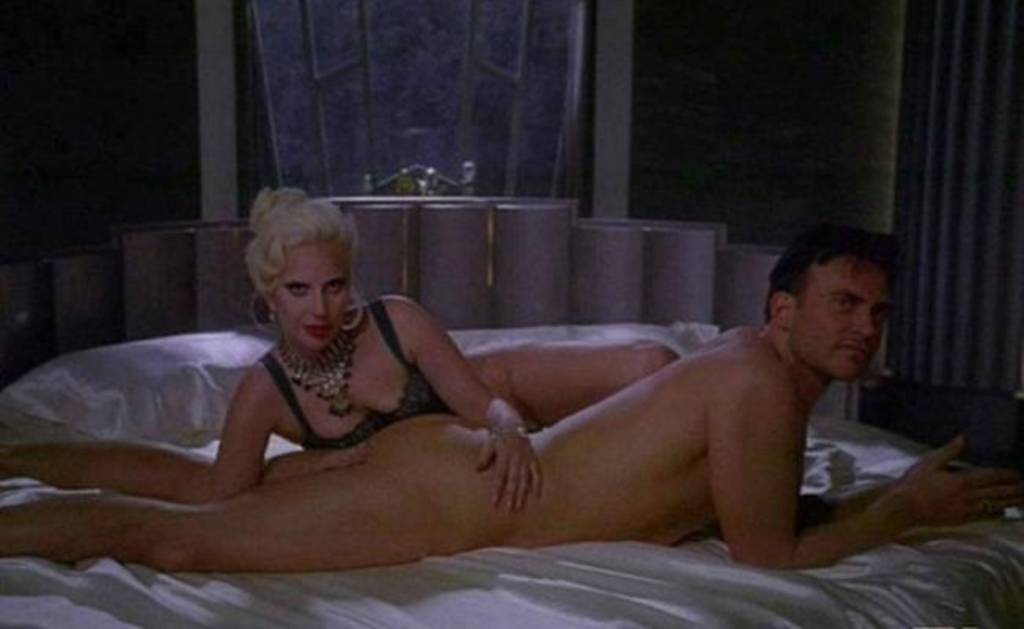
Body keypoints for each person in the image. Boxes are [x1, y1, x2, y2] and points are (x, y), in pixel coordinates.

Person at [2, 223, 1021, 572]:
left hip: (447, 467)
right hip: (451, 494)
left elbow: (752, 510)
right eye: (843, 303)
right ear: (782, 309)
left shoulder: (746, 371)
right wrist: (901, 510)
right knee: (176, 538)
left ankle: (17, 457)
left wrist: (879, 503)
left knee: (202, 497)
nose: (863, 327)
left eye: (877, 312)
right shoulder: (755, 377)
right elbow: (768, 556)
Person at [0, 188, 675, 512]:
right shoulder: (265, 390)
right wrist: (319, 466)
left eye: (333, 286)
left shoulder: (397, 319)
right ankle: (19, 455)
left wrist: (508, 426)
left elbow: (485, 403)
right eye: (298, 290)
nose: (319, 309)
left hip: (504, 387)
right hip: (450, 461)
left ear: (350, 281)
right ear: (269, 295)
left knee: (654, 366)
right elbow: (218, 491)